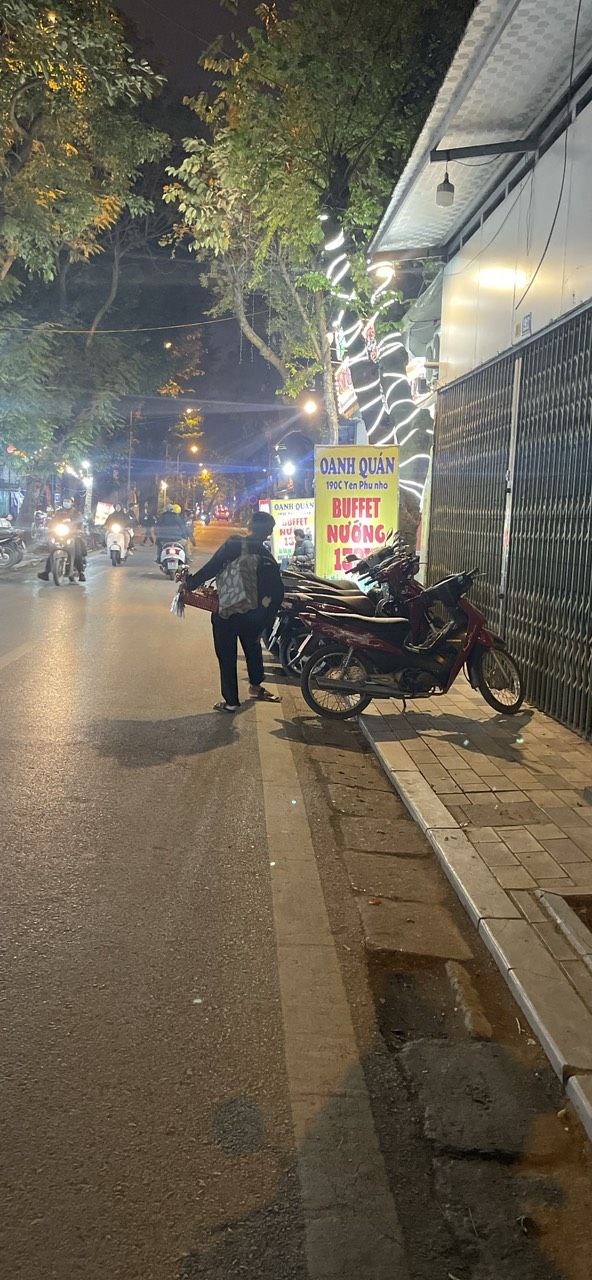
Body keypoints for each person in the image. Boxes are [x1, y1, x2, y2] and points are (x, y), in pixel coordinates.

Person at [184, 511, 284, 712]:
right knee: (253, 648)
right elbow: (277, 591)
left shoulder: (234, 544)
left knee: (226, 655)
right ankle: (256, 686)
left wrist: (190, 583)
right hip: (253, 614)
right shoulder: (267, 557)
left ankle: (231, 702)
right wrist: (265, 619)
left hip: (227, 611)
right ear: (268, 533)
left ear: (250, 525)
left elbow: (211, 568)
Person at [37, 498, 86, 582]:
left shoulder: (76, 513)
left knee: (77, 553)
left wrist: (79, 530)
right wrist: (49, 528)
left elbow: (80, 523)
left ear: (72, 503)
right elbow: (52, 522)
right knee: (52, 552)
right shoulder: (58, 512)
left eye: (68, 501)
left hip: (72, 535)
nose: (66, 503)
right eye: (65, 501)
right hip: (59, 535)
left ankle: (81, 572)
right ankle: (46, 572)